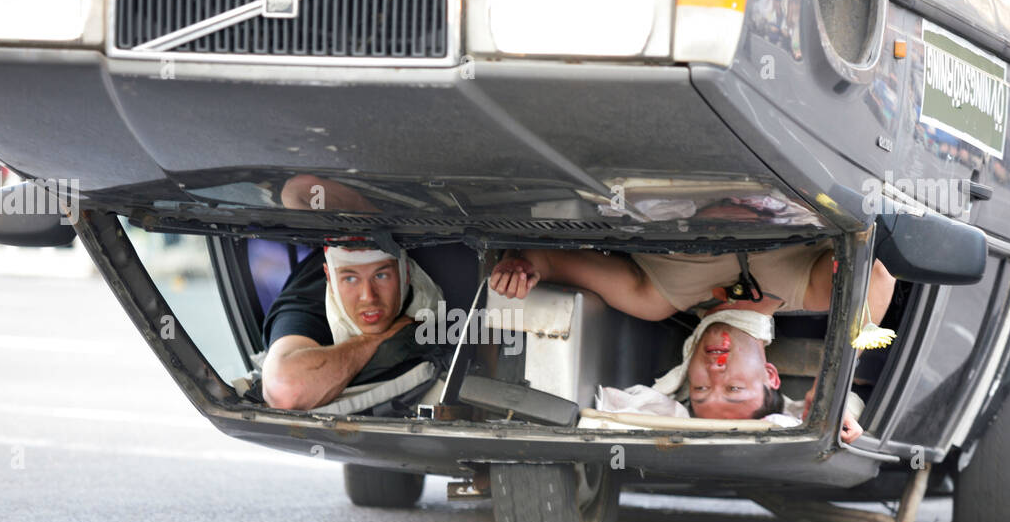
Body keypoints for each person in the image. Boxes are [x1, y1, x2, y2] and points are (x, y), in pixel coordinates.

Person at [490, 239, 895, 441]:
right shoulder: (809, 286)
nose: (715, 372)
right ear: (771, 375)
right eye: (733, 388)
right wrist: (834, 389)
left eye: (700, 388)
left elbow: (547, 259)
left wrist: (521, 268)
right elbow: (877, 275)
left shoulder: (653, 297)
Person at [258, 175, 444, 410]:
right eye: (350, 279)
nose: (368, 296)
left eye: (381, 275)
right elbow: (285, 389)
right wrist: (378, 338)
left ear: (405, 273)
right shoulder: (308, 301)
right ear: (329, 277)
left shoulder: (440, 255)